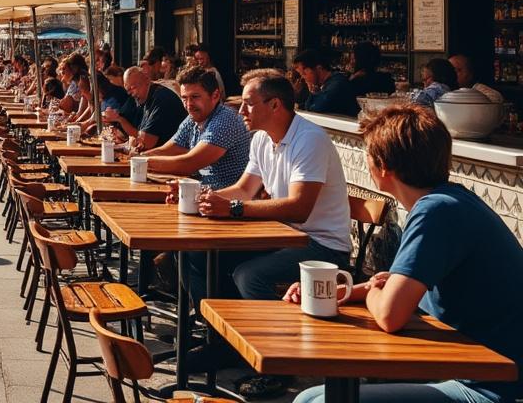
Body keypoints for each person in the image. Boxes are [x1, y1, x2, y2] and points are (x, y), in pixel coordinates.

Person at [286, 105, 523, 403]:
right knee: (312, 398)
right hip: (481, 371)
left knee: (319, 401)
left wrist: (374, 293)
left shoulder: (435, 212)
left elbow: (389, 314)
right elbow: (394, 292)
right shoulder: (451, 200)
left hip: (494, 387)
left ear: (383, 166)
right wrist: (334, 292)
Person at [190, 70, 352, 396]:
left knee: (250, 276)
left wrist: (234, 209)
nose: (241, 111)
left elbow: (298, 208)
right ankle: (225, 342)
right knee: (196, 254)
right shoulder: (263, 138)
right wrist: (201, 198)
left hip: (323, 246)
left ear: (275, 104)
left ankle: (280, 364)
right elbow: (245, 189)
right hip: (282, 237)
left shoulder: (310, 139)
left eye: (248, 104)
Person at [145, 66, 252, 191]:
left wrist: (142, 163)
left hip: (225, 201)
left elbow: (190, 164)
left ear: (215, 96)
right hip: (201, 194)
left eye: (195, 97)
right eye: (184, 98)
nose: (189, 104)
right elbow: (169, 149)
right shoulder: (194, 117)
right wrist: (139, 157)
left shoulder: (226, 119)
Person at [103, 66, 187, 151]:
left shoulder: (161, 98)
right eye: (127, 90)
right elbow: (126, 135)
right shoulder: (144, 98)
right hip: (158, 156)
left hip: (171, 158)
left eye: (132, 88)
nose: (130, 94)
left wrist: (131, 139)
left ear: (146, 80)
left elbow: (145, 142)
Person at [294, 48, 359, 117]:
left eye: (304, 73)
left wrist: (313, 93)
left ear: (319, 68)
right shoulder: (325, 84)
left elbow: (313, 109)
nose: (303, 78)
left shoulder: (337, 84)